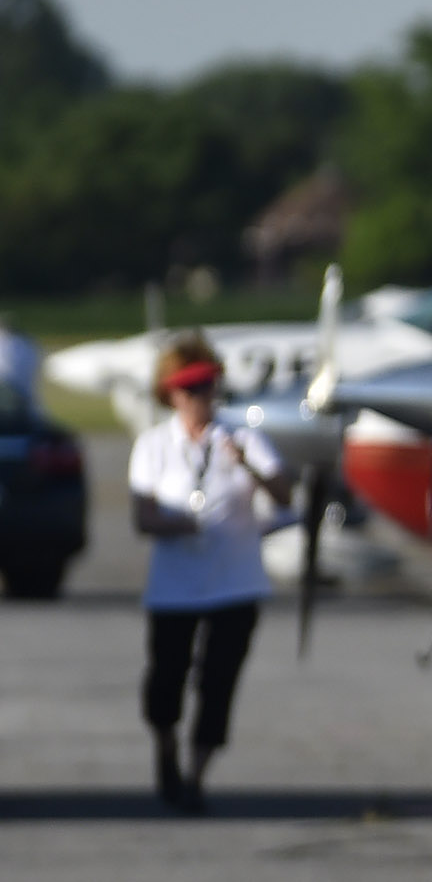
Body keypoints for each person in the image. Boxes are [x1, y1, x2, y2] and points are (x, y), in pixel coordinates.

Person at [127, 331, 291, 811]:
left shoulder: (241, 436)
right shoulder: (154, 445)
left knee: (218, 681)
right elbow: (143, 518)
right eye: (191, 389)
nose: (202, 398)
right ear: (172, 394)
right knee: (166, 679)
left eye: (209, 386)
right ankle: (165, 747)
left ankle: (196, 778)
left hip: (234, 583)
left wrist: (250, 469)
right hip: (175, 586)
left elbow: (283, 494)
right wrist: (179, 522)